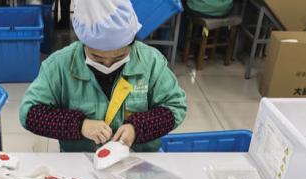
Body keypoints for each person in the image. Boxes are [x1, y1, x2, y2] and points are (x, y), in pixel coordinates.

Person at [19, 0, 187, 152]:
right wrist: (79, 125)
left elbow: (175, 106)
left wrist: (138, 128)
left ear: (132, 42)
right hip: (80, 162)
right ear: (83, 43)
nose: (108, 63)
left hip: (138, 160)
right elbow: (29, 113)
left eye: (119, 57)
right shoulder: (59, 65)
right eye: (97, 57)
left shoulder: (151, 62)